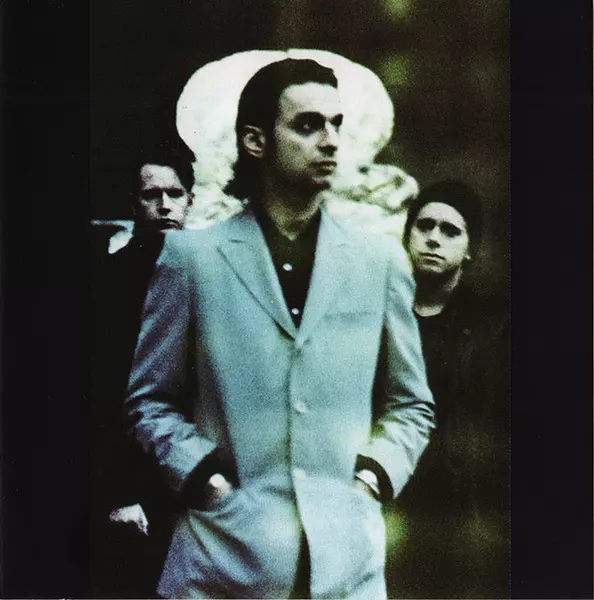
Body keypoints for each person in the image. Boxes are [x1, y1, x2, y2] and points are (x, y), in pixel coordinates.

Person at [125, 58, 435, 599]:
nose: (330, 141)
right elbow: (150, 400)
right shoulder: (192, 258)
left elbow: (411, 404)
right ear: (256, 140)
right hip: (222, 562)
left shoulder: (380, 261)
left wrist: (371, 479)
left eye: (337, 124)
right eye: (308, 125)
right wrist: (206, 482)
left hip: (343, 568)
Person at [90, 136, 195, 598]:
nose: (165, 205)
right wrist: (118, 493)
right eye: (153, 195)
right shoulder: (108, 280)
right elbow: (99, 392)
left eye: (175, 194)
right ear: (134, 203)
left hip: (197, 476)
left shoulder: (207, 278)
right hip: (135, 481)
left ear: (191, 200)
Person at [394, 180, 509, 598]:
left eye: (450, 231)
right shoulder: (383, 311)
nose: (433, 239)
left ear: (470, 247)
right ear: (408, 234)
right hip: (392, 494)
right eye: (424, 226)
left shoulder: (494, 326)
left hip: (464, 510)